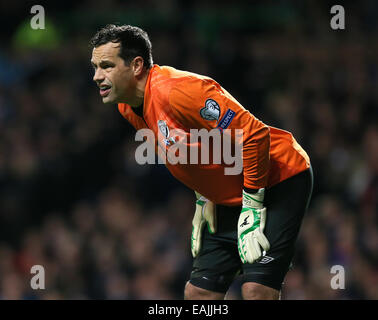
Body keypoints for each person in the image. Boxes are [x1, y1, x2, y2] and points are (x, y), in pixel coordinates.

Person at [90, 24, 313, 300]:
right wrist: (203, 196)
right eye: (95, 67)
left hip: (277, 179)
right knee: (199, 294)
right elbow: (189, 148)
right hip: (228, 198)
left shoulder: (178, 91)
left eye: (106, 66)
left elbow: (255, 136)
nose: (97, 76)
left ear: (136, 66)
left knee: (256, 291)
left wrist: (253, 206)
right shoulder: (127, 106)